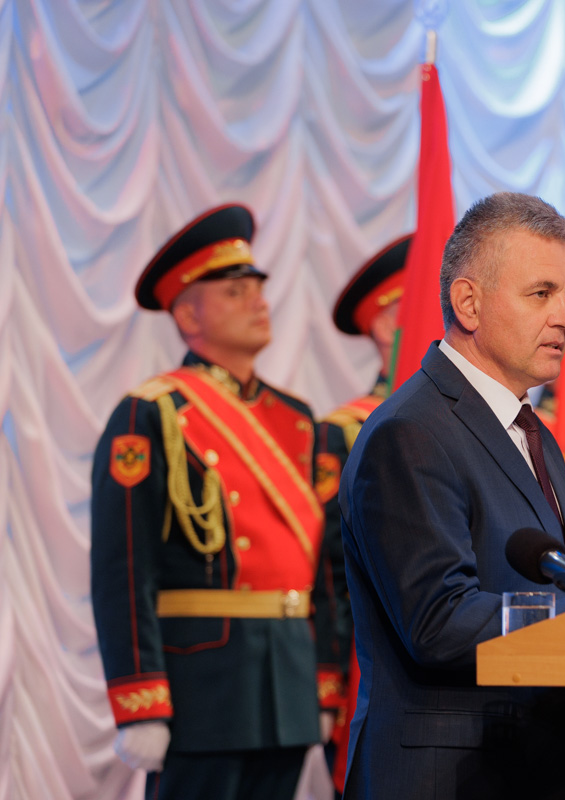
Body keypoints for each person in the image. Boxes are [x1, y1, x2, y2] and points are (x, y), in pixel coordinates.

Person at [338, 193, 565, 799]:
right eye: (541, 294)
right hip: (452, 781)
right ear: (469, 303)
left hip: (536, 771)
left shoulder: (532, 433)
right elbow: (439, 621)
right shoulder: (411, 431)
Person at [90, 204, 345, 800]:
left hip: (287, 677)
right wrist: (140, 699)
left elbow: (326, 571)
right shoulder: (152, 414)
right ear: (187, 314)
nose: (259, 302)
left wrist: (325, 679)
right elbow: (123, 570)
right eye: (234, 292)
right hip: (201, 684)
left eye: (257, 289)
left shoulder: (297, 420)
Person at [315, 232, 414, 795]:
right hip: (373, 658)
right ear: (383, 325)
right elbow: (330, 571)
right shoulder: (347, 430)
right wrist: (328, 679)